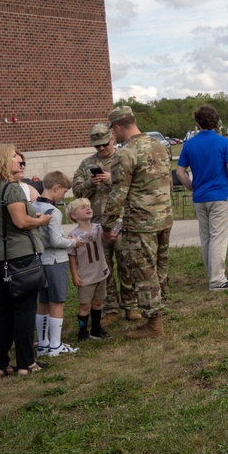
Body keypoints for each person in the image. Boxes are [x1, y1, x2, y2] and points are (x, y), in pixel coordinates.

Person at [103, 105, 173, 340]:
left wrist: (106, 224)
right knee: (160, 267)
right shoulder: (160, 146)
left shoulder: (125, 152)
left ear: (118, 127)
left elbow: (118, 193)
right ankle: (159, 310)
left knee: (145, 273)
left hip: (141, 222)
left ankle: (154, 324)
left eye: (113, 129)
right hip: (164, 216)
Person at [72, 122, 138, 325]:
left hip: (123, 222)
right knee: (103, 267)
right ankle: (110, 308)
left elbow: (136, 187)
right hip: (98, 226)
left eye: (104, 144)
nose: (101, 148)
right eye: (97, 145)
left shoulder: (124, 158)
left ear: (113, 139)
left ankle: (131, 306)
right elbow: (76, 191)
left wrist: (112, 179)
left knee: (126, 265)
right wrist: (89, 184)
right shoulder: (87, 163)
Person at [0, 144, 52, 377]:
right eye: (13, 157)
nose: (19, 161)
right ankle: (26, 364)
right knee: (24, 311)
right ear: (1, 161)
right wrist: (40, 220)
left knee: (1, 312)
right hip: (20, 257)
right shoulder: (12, 188)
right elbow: (21, 222)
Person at [175, 105, 228, 291]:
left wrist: (192, 187)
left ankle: (213, 274)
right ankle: (217, 280)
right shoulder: (224, 142)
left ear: (197, 123)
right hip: (219, 195)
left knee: (206, 238)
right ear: (216, 122)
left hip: (200, 196)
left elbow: (180, 172)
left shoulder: (189, 144)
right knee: (218, 238)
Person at [33, 171, 81, 357]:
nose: (64, 196)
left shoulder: (34, 205)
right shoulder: (53, 212)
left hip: (40, 261)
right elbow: (54, 241)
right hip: (55, 261)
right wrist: (72, 243)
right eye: (64, 192)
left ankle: (43, 345)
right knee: (58, 302)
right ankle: (56, 345)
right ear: (56, 188)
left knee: (43, 302)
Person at [65, 198, 112, 341]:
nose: (87, 208)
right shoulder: (74, 236)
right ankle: (82, 331)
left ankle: (96, 329)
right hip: (85, 275)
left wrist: (111, 234)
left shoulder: (99, 228)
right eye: (82, 207)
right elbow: (72, 256)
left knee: (98, 302)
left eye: (88, 206)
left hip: (100, 272)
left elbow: (108, 238)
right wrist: (75, 275)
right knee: (85, 305)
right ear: (74, 216)